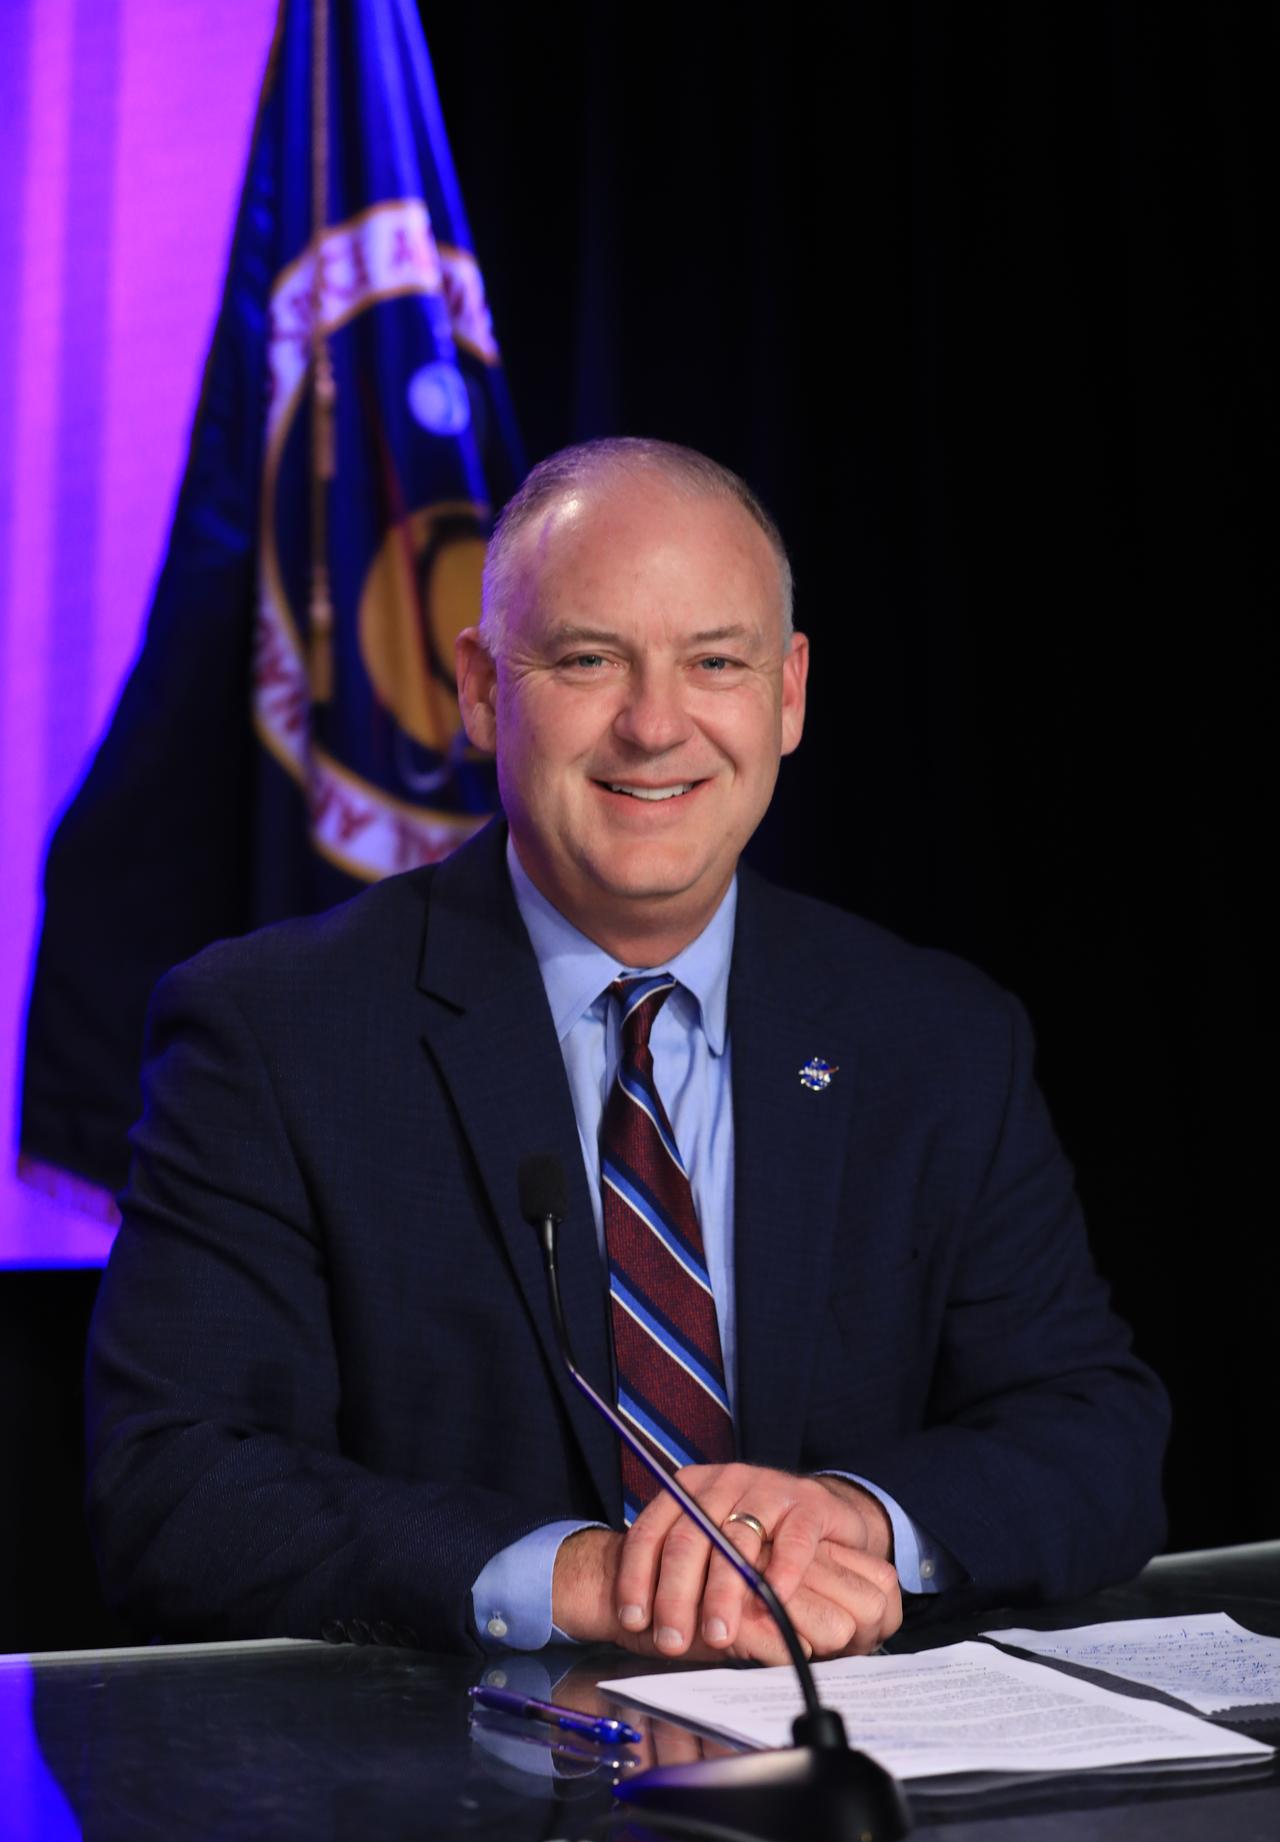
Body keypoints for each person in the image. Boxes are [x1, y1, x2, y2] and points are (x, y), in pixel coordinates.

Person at [86, 438, 1169, 1664]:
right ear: (482, 686)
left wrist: (853, 1522)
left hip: (843, 1798)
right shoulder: (274, 1034)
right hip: (450, 1816)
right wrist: (587, 1577)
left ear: (788, 694)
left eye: (715, 662)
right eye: (588, 659)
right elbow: (173, 1490)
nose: (655, 726)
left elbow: (1093, 1436)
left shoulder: (935, 1037)